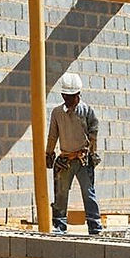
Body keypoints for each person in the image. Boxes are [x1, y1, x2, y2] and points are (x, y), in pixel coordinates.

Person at [45, 72, 102, 235]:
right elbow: (52, 135)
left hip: (83, 159)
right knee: (61, 193)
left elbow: (94, 132)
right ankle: (60, 225)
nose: (69, 100)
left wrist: (92, 153)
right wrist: (49, 153)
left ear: (78, 95)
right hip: (65, 159)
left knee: (88, 192)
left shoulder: (87, 111)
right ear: (63, 95)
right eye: (66, 97)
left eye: (72, 97)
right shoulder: (57, 113)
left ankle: (94, 225)